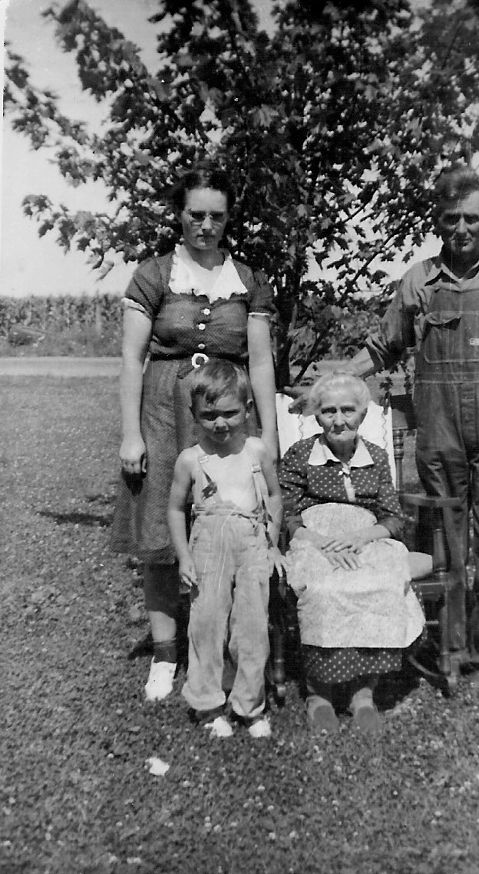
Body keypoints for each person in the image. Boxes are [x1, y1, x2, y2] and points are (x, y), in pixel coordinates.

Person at [348, 164, 479, 686]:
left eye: (471, 219)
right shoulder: (418, 281)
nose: (461, 229)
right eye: (450, 219)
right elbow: (382, 347)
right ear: (437, 222)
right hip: (439, 432)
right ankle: (446, 642)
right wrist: (333, 382)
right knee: (443, 547)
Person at [111, 161, 278, 702]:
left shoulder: (249, 280)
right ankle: (165, 655)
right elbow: (132, 360)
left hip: (227, 419)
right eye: (196, 214)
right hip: (163, 411)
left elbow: (260, 362)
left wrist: (267, 435)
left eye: (217, 216)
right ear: (179, 215)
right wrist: (130, 434)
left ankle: (227, 647)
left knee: (236, 525)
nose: (206, 225)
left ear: (228, 219)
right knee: (162, 528)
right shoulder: (155, 275)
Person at [279, 373, 425, 734]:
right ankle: (320, 694)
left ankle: (363, 694)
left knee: (381, 583)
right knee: (324, 589)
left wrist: (362, 536)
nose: (339, 420)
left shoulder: (375, 456)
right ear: (316, 416)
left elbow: (392, 517)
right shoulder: (301, 455)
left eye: (347, 410)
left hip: (366, 537)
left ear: (362, 414)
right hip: (314, 538)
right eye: (329, 411)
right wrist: (319, 541)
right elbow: (288, 514)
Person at [167, 361, 283, 739]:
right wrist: (184, 555)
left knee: (251, 626)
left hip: (252, 544)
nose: (221, 423)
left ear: (248, 409)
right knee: (206, 623)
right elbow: (173, 509)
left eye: (231, 413)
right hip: (208, 545)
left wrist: (273, 541)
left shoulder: (257, 451)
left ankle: (249, 706)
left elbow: (275, 497)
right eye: (209, 415)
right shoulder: (191, 459)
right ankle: (207, 704)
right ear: (194, 415)